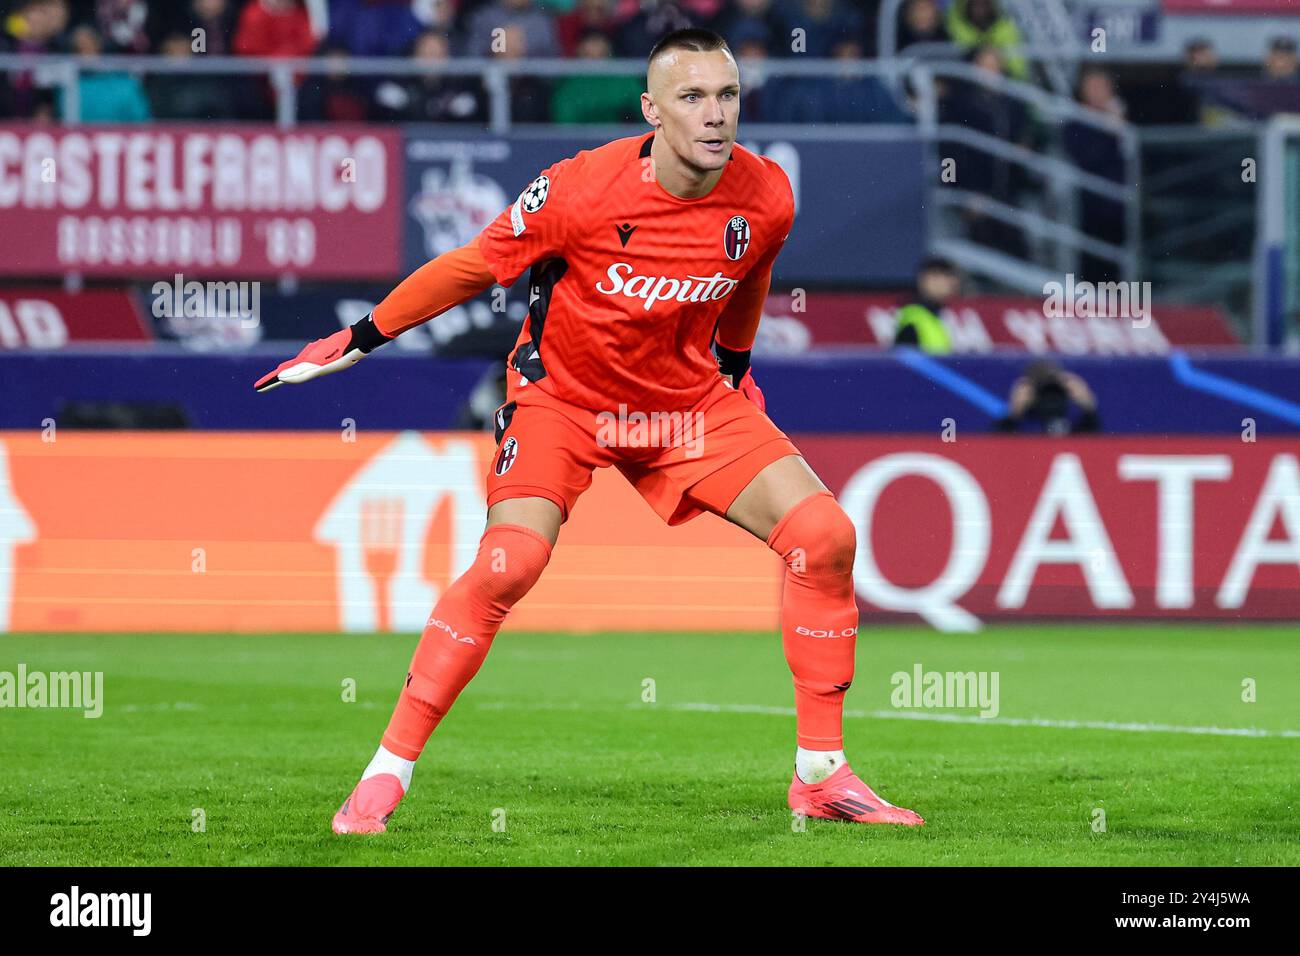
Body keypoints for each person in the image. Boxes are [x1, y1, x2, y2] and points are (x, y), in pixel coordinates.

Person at [256, 27, 925, 833]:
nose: (715, 115)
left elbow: (749, 278)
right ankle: (385, 772)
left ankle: (821, 774)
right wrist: (362, 339)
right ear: (651, 109)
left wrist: (738, 366)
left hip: (683, 403)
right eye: (692, 97)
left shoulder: (767, 194)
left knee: (824, 535)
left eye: (727, 95)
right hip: (563, 403)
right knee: (510, 563)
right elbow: (475, 264)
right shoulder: (578, 190)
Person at [995, 359, 1099, 435]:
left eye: (1053, 385)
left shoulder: (1072, 419)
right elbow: (997, 445)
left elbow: (1095, 442)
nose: (1048, 393)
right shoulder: (1021, 424)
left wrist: (1088, 407)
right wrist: (1014, 412)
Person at [893, 256, 958, 353]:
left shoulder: (941, 315)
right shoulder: (913, 320)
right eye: (935, 277)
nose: (941, 284)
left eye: (946, 277)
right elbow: (906, 363)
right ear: (921, 280)